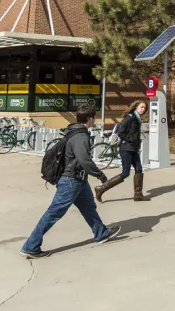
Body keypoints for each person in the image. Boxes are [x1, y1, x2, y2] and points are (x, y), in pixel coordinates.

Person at [20, 107, 121, 258]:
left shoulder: (73, 131)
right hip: (71, 180)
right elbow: (84, 159)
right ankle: (31, 246)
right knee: (54, 213)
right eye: (94, 117)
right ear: (90, 118)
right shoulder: (81, 136)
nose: (95, 120)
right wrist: (100, 175)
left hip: (78, 179)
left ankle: (101, 233)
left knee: (89, 207)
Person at [94, 100, 151, 203]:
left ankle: (138, 194)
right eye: (141, 107)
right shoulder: (130, 117)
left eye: (144, 108)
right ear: (136, 107)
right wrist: (131, 139)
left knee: (139, 169)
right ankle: (101, 189)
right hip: (126, 148)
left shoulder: (137, 118)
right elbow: (121, 132)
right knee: (125, 173)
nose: (143, 109)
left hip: (133, 148)